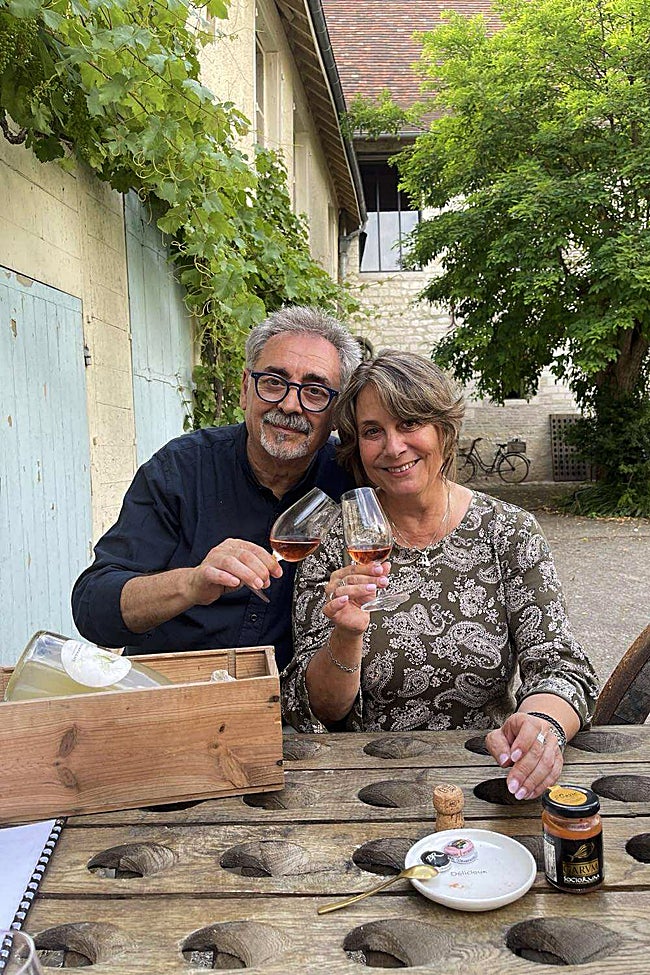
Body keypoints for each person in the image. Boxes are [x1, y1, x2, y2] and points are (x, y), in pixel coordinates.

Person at [282, 351, 599, 800]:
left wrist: (540, 725)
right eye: (374, 431)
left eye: (409, 423)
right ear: (357, 447)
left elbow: (560, 664)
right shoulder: (334, 540)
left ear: (444, 430)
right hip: (366, 784)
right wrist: (346, 635)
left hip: (487, 774)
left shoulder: (507, 531)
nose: (393, 447)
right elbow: (318, 709)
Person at [71, 306, 362, 671]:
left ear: (336, 411)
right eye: (273, 382)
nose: (290, 404)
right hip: (173, 695)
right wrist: (190, 583)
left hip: (281, 710)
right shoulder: (180, 469)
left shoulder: (352, 479)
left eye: (315, 391)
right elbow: (92, 609)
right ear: (245, 389)